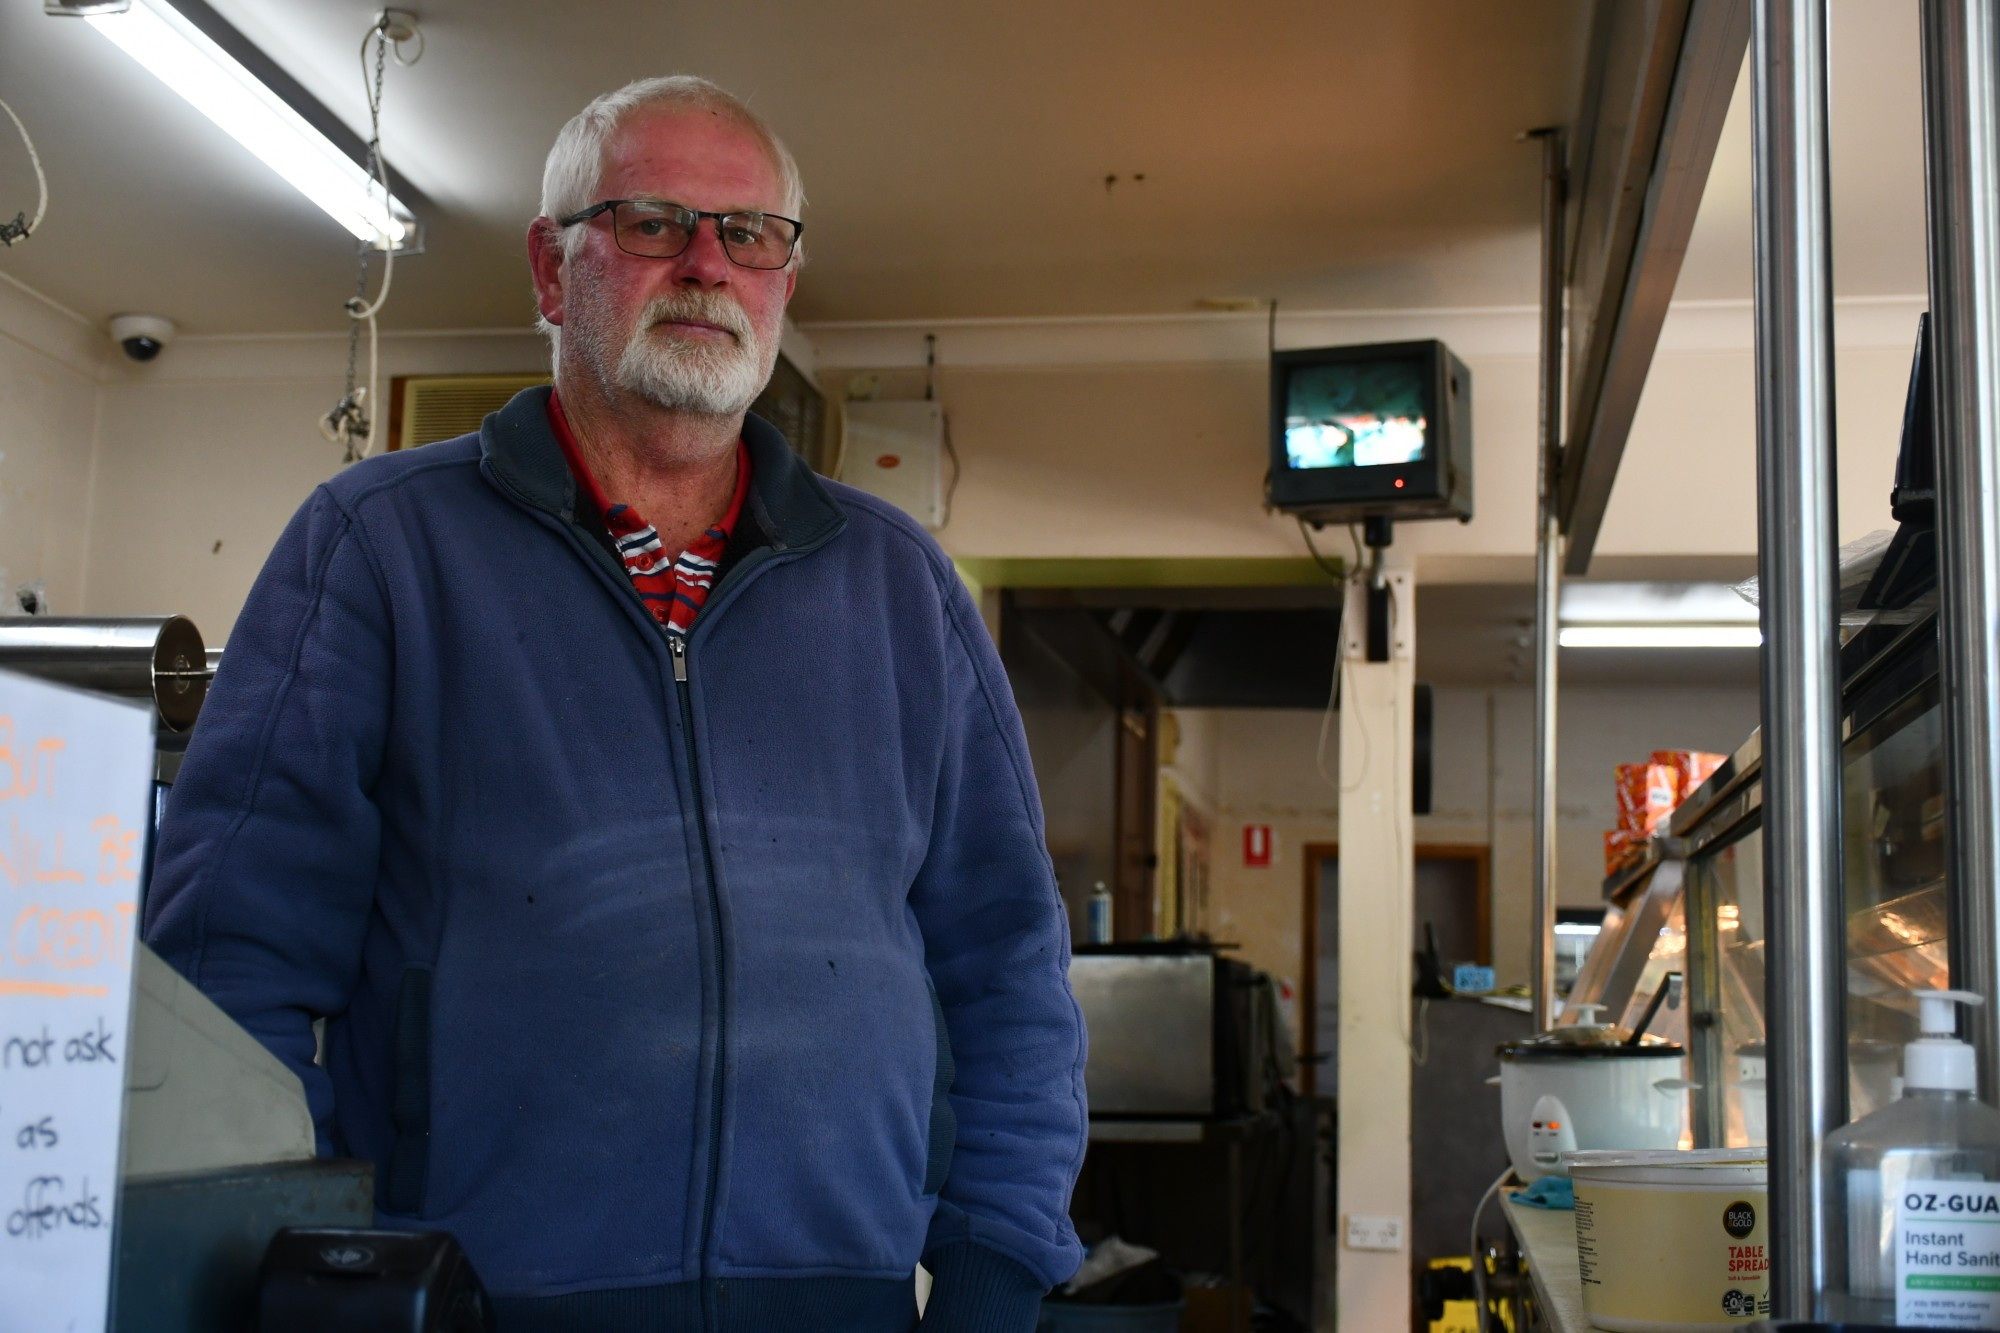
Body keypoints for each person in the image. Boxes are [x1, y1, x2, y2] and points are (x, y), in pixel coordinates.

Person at [144, 75, 1087, 1332]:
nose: (706, 263)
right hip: (479, 1300)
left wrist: (990, 1273)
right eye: (652, 222)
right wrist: (311, 1266)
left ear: (782, 282)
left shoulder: (899, 584)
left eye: (747, 234)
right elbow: (226, 964)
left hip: (846, 1300)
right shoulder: (375, 548)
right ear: (551, 268)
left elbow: (1010, 964)